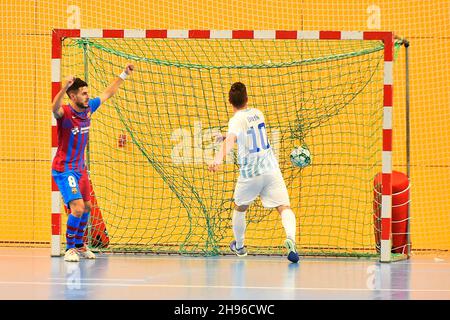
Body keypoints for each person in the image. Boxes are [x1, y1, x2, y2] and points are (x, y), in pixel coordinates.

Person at [208, 82, 299, 263]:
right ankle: (291, 239)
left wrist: (218, 157)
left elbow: (233, 138)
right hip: (271, 169)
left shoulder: (235, 120)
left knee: (240, 208)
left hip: (251, 173)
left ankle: (240, 247)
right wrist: (225, 136)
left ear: (229, 102)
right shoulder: (258, 113)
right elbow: (248, 133)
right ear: (247, 99)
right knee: (284, 207)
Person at [52, 64, 134, 262]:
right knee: (77, 208)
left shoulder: (89, 109)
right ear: (73, 96)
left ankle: (80, 245)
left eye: (88, 93)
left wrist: (124, 73)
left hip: (81, 169)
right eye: (83, 93)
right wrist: (64, 87)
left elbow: (108, 92)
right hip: (65, 169)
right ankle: (69, 248)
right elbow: (53, 108)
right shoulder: (64, 112)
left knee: (87, 207)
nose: (88, 96)